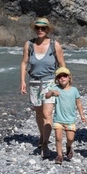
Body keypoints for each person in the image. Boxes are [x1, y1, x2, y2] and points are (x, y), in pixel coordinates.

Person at [20, 17, 66, 158]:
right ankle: (42, 136)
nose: (40, 30)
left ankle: (45, 144)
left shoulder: (54, 45)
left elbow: (62, 64)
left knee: (47, 114)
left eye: (43, 28)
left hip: (50, 82)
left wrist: (65, 83)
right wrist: (22, 81)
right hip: (34, 82)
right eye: (37, 28)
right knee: (38, 113)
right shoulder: (29, 44)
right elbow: (24, 63)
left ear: (47, 30)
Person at [43, 67, 87, 164]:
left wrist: (82, 115)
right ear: (57, 79)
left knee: (70, 138)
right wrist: (51, 92)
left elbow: (78, 103)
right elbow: (47, 96)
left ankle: (68, 147)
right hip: (58, 119)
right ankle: (59, 155)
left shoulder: (74, 90)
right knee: (58, 137)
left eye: (65, 76)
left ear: (69, 78)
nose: (62, 78)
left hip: (70, 119)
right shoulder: (56, 89)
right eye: (59, 76)